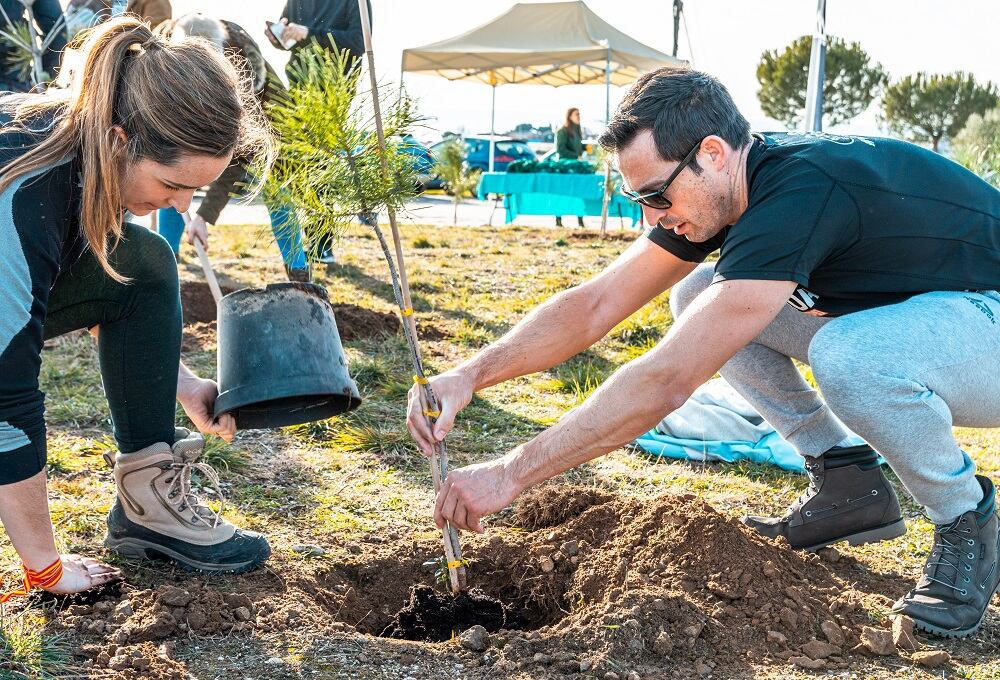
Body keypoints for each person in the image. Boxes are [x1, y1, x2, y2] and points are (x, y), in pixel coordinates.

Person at [406, 67, 1000, 639]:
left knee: (850, 354)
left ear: (712, 152)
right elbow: (596, 304)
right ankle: (847, 481)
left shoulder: (800, 194)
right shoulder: (728, 186)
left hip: (987, 319)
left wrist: (510, 475)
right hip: (940, 320)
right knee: (699, 295)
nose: (653, 217)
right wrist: (469, 374)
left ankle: (963, 518)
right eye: (638, 199)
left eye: (657, 196)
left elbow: (668, 379)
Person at [0, 16, 274, 599]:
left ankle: (149, 501)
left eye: (196, 191)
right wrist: (46, 566)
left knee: (142, 260)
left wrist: (182, 383)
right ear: (123, 140)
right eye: (173, 185)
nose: (180, 204)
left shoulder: (89, 145)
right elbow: (5, 397)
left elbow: (104, 290)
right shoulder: (23, 196)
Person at [155, 13, 308, 282]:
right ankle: (165, 262)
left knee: (276, 186)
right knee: (173, 170)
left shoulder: (243, 68)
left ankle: (298, 270)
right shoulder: (168, 50)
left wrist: (204, 215)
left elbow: (240, 153)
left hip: (271, 119)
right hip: (199, 113)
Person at [272, 0, 373, 262]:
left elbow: (359, 43)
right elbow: (285, 38)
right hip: (297, 86)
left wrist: (309, 34)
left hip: (333, 91)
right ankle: (303, 242)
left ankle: (321, 245)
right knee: (296, 166)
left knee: (321, 166)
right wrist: (278, 33)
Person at [0, 0, 68, 90]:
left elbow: (56, 29)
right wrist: (43, 80)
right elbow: (56, 28)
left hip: (12, 81)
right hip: (12, 84)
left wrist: (42, 79)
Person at [554, 107, 585, 227]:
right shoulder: (562, 130)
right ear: (569, 116)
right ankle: (558, 220)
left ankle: (580, 221)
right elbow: (560, 149)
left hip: (576, 167)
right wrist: (576, 156)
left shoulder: (577, 130)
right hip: (565, 167)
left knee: (578, 194)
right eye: (577, 114)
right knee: (562, 194)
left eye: (579, 114)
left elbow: (578, 147)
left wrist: (584, 149)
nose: (579, 116)